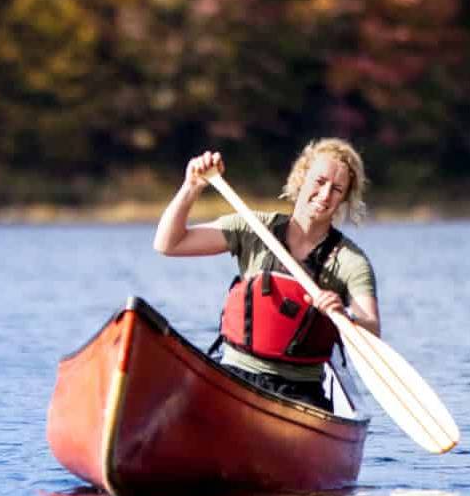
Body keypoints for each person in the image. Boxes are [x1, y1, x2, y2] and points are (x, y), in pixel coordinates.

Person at [151, 140, 379, 410]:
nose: (325, 194)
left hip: (301, 391)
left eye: (337, 189)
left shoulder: (351, 261)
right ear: (302, 178)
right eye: (320, 182)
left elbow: (372, 330)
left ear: (344, 199)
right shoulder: (253, 228)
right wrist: (191, 187)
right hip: (235, 376)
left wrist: (344, 314)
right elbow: (168, 244)